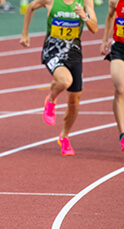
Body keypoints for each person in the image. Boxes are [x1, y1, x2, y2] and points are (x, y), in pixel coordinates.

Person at [20, 0, 97, 155]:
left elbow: (94, 28)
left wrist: (84, 16)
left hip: (74, 54)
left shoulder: (85, 2)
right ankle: (51, 99)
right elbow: (30, 7)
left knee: (74, 101)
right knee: (65, 80)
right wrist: (24, 34)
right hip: (53, 51)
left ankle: (64, 137)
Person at [100, 0, 124, 150]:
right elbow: (110, 16)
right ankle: (123, 134)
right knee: (120, 89)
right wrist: (104, 40)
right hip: (120, 47)